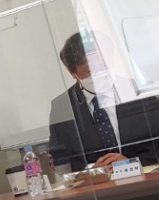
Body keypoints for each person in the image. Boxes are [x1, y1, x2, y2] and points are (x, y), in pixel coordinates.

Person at [48, 32, 140, 172]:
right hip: (96, 184)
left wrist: (131, 163)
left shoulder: (137, 91)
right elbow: (61, 161)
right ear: (73, 74)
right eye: (89, 72)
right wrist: (93, 170)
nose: (99, 75)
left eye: (103, 67)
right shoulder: (62, 107)